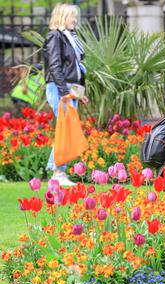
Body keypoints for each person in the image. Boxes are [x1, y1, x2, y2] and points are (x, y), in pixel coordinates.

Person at [43, 3, 89, 186]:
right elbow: (55, 66)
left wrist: (79, 93)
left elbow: (75, 69)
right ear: (62, 17)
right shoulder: (55, 37)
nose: (75, 20)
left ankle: (57, 171)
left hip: (69, 89)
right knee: (66, 129)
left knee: (67, 129)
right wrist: (64, 92)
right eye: (72, 16)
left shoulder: (69, 38)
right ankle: (57, 173)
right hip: (60, 88)